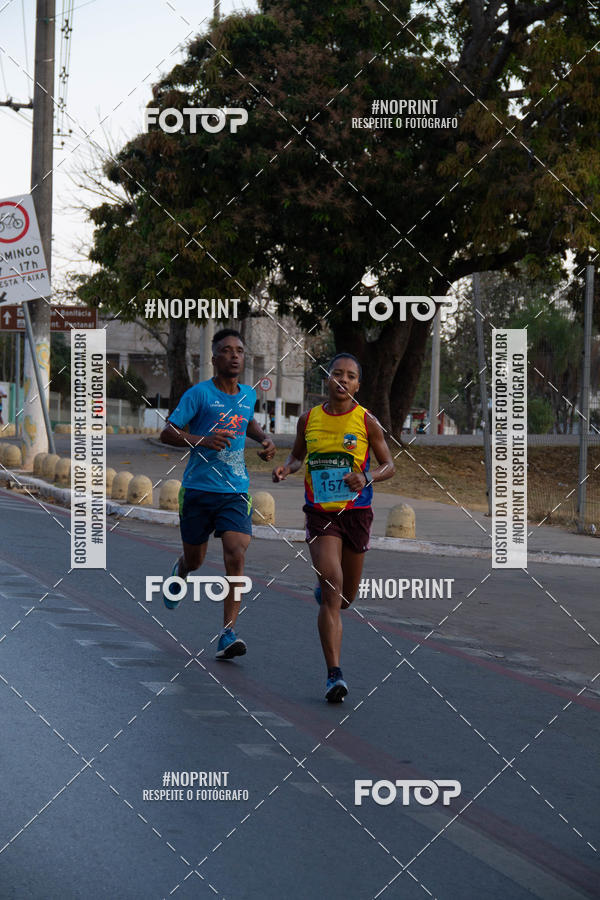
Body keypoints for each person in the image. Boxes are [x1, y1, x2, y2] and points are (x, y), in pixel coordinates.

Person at [272, 353, 394, 702]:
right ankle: (334, 675)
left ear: (358, 385)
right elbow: (297, 456)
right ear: (328, 379)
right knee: (332, 587)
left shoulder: (366, 421)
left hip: (356, 514)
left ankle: (328, 592)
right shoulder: (308, 419)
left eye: (350, 376)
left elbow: (389, 465)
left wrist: (366, 476)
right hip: (321, 514)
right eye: (337, 374)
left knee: (345, 599)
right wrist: (286, 468)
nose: (343, 380)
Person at [160, 328, 276, 659]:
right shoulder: (198, 394)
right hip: (198, 490)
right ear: (214, 358)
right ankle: (181, 570)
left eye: (239, 350)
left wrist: (264, 439)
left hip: (234, 490)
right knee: (196, 560)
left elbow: (247, 422)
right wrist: (203, 440)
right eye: (226, 350)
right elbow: (167, 432)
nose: (234, 355)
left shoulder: (248, 395)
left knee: (236, 553)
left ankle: (227, 633)